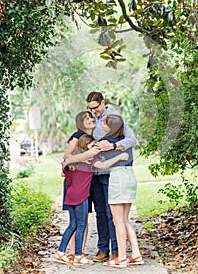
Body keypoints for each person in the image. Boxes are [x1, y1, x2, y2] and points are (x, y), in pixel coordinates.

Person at [55, 134, 129, 266]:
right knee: (81, 226)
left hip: (70, 196)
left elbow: (63, 173)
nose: (95, 146)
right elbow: (104, 165)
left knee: (73, 225)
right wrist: (120, 157)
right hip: (81, 197)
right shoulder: (90, 162)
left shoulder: (73, 162)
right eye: (92, 144)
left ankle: (60, 252)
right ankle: (78, 255)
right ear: (85, 146)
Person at [86, 91, 138, 262]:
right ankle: (103, 249)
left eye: (96, 107)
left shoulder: (115, 119)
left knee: (112, 215)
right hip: (95, 173)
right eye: (90, 108)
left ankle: (117, 251)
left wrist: (113, 146)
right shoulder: (90, 120)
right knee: (100, 213)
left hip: (112, 174)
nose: (94, 111)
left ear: (103, 102)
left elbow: (131, 139)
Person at [100, 114, 144, 268]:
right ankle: (136, 254)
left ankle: (122, 258)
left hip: (117, 177)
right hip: (130, 176)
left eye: (104, 123)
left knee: (117, 221)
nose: (102, 125)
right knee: (125, 220)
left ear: (109, 127)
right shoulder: (125, 142)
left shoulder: (104, 143)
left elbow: (99, 163)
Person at [61, 111, 96, 261]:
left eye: (91, 117)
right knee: (78, 222)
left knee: (82, 220)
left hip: (85, 180)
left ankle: (79, 252)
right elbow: (67, 156)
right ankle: (73, 252)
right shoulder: (77, 137)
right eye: (86, 119)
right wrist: (87, 157)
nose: (90, 120)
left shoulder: (94, 136)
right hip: (76, 182)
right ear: (81, 123)